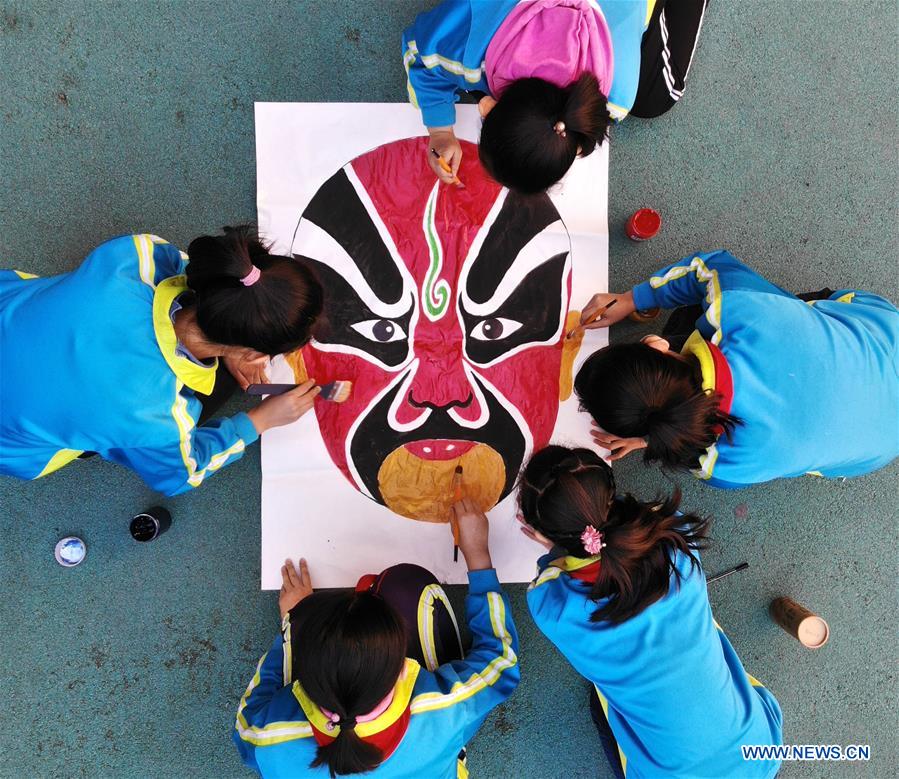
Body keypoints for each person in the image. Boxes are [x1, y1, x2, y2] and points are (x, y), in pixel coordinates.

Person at [518, 445, 783, 778]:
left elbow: (549, 576)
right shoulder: (677, 537)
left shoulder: (550, 606)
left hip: (761, 752)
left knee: (600, 706)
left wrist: (552, 553)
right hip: (757, 749)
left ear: (544, 533)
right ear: (611, 496)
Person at [0, 227, 322, 495]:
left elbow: (191, 273)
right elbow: (182, 476)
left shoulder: (137, 255)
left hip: (10, 307)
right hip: (15, 444)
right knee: (181, 407)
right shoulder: (158, 419)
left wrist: (234, 342)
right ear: (253, 355)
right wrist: (259, 421)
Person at [233, 498, 519, 778]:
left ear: (304, 678)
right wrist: (479, 557)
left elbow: (247, 723)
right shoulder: (444, 711)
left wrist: (293, 623)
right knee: (406, 583)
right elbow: (501, 658)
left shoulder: (266, 735)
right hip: (433, 739)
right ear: (405, 668)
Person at [574, 250, 899, 488]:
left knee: (691, 322)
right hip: (885, 335)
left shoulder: (722, 465)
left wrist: (649, 438)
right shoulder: (739, 312)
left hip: (882, 443)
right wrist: (633, 299)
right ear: (654, 344)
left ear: (658, 343)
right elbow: (709, 267)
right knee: (758, 311)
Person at [402, 0, 709, 192]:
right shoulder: (467, 38)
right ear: (488, 107)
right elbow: (418, 56)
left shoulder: (615, 98)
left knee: (656, 97)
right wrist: (440, 130)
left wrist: (443, 125)